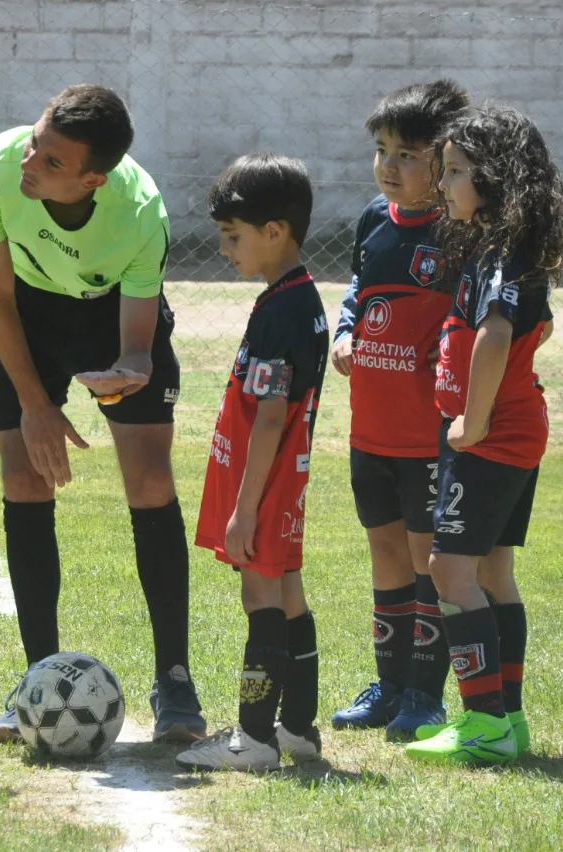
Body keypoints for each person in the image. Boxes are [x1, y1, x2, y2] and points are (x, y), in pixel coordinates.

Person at [0, 84, 205, 744]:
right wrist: (36, 405)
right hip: (23, 317)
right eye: (36, 142)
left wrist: (128, 375)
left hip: (108, 317)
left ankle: (175, 680)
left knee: (150, 481)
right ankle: (36, 678)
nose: (30, 164)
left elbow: (135, 343)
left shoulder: (139, 208)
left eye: (54, 163)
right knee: (23, 479)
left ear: (96, 178)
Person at [405, 104, 563, 766]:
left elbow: (498, 334)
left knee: (449, 568)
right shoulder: (502, 249)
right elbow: (535, 325)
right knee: (494, 571)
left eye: (454, 172)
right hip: (512, 430)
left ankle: (483, 723)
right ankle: (509, 721)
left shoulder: (504, 252)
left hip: (493, 437)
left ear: (495, 179)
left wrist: (471, 423)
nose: (443, 185)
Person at [176, 153, 328, 772]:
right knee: (288, 591)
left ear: (275, 232)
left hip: (262, 483)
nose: (226, 250)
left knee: (259, 593)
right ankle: (298, 730)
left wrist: (243, 510)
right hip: (283, 479)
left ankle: (255, 738)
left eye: (233, 238)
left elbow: (269, 415)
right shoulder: (301, 298)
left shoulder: (279, 310)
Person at [327, 80, 468, 741]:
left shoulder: (459, 232)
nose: (389, 164)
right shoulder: (373, 220)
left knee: (425, 562)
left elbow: (470, 323)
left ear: (444, 160)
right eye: (382, 149)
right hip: (371, 430)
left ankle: (424, 693)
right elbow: (358, 286)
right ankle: (387, 686)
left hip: (426, 437)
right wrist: (346, 328)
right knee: (385, 553)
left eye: (408, 154)